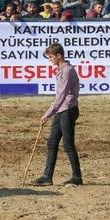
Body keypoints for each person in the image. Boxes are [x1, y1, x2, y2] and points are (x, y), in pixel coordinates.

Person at [31, 43, 82, 187]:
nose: (50, 60)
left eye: (51, 57)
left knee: (68, 144)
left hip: (67, 109)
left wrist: (47, 114)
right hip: (62, 110)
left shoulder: (67, 71)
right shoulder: (62, 69)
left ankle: (77, 177)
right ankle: (47, 176)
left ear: (59, 56)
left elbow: (61, 95)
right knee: (52, 142)